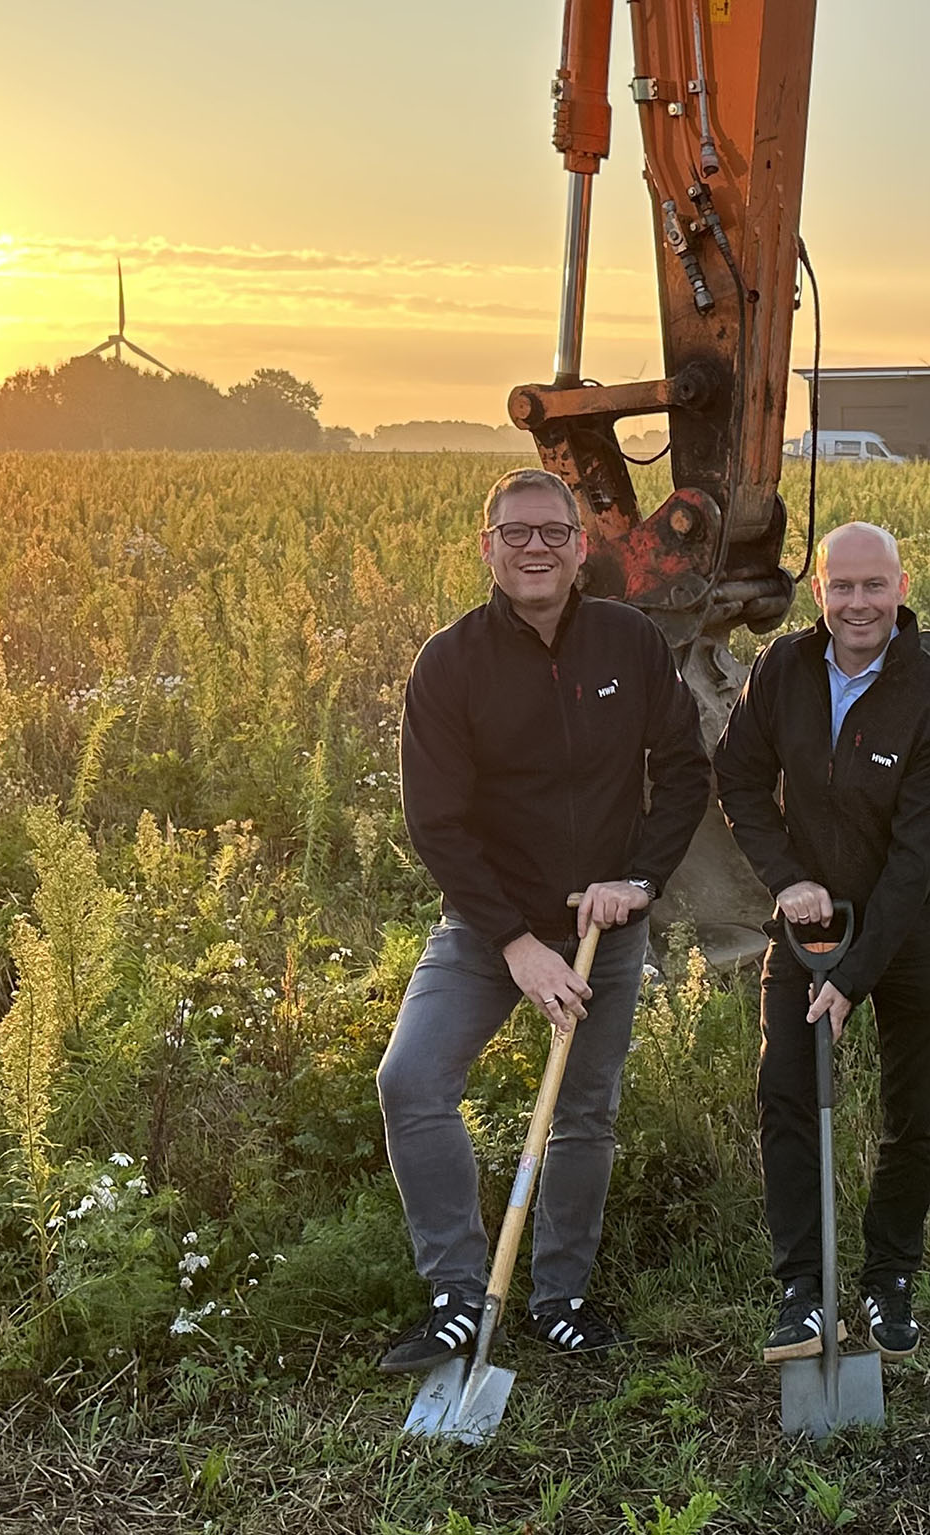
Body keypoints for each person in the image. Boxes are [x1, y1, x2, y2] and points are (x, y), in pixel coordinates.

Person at [373, 467, 712, 1374]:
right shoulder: (449, 664)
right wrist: (515, 941)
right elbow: (435, 823)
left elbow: (685, 769)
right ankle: (456, 1294)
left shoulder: (629, 642)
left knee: (583, 1111)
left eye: (554, 533)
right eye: (515, 533)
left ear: (579, 546)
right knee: (411, 1081)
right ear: (487, 547)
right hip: (489, 928)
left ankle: (560, 1295)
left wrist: (635, 878)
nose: (535, 548)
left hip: (606, 922)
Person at [713, 521, 930, 1364]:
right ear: (818, 591)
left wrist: (854, 977)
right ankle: (804, 1289)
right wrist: (786, 877)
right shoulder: (781, 671)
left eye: (875, 586)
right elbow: (739, 779)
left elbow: (911, 862)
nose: (858, 603)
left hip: (911, 933)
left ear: (901, 588)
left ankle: (889, 1278)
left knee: (913, 1117)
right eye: (842, 586)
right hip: (808, 928)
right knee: (785, 1094)